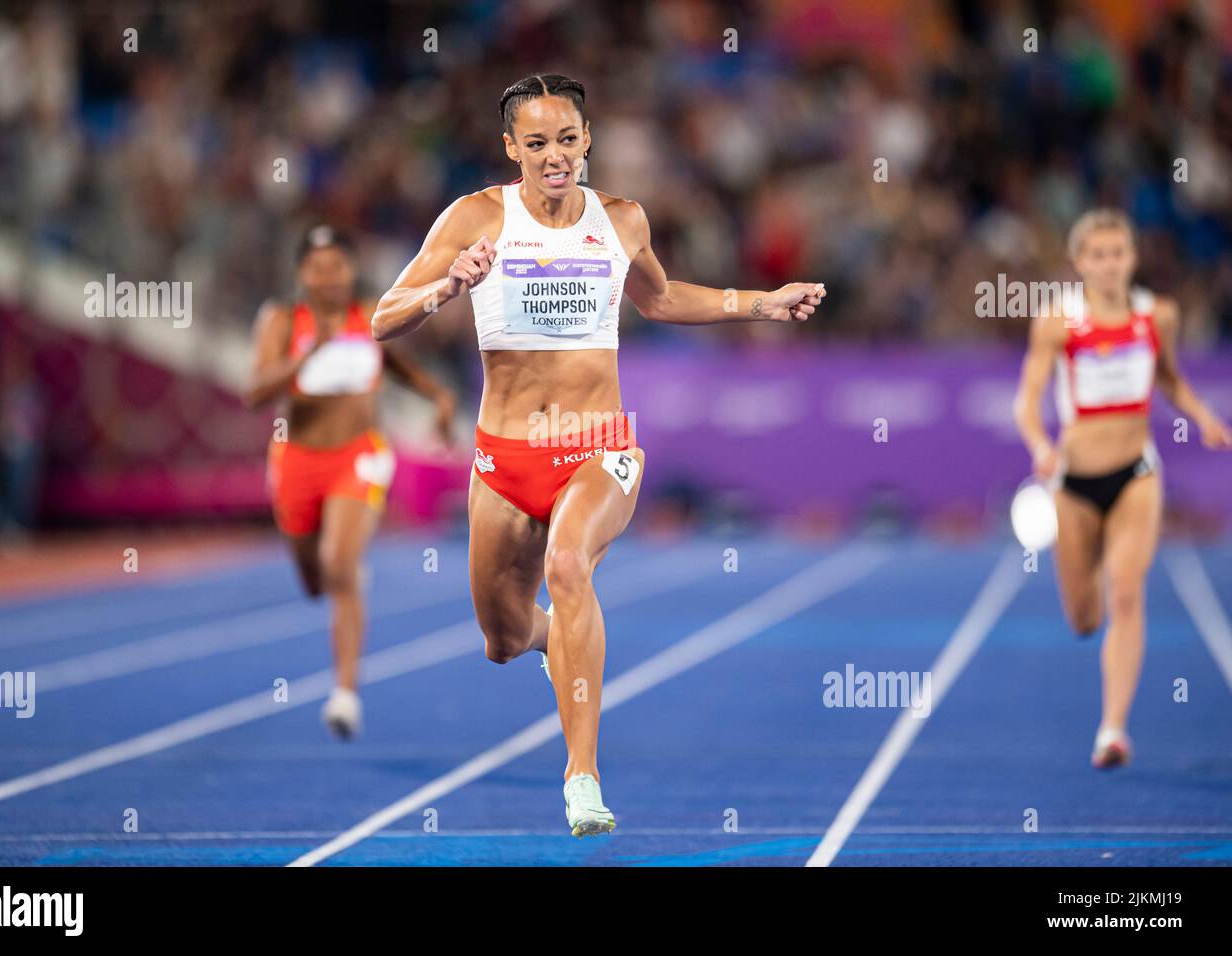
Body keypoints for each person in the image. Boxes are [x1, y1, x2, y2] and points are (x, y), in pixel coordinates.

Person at [371, 74, 826, 834]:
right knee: (502, 636)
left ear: (589, 141)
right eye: (539, 143)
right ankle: (555, 641)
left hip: (598, 445)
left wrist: (760, 301)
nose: (557, 157)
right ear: (510, 147)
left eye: (570, 140)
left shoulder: (623, 221)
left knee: (568, 566)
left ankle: (581, 776)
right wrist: (447, 286)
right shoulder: (475, 217)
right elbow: (383, 319)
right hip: (505, 456)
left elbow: (659, 298)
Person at [1013, 208, 1232, 768]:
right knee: (1084, 617)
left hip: (1138, 472)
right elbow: (1027, 400)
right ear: (1080, 262)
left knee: (1128, 591)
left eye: (1120, 253)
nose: (1110, 265)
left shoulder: (1158, 315)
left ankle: (1112, 728)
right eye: (1099, 255)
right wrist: (1040, 444)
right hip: (1075, 481)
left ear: (1133, 258)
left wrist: (1202, 416)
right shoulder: (1058, 322)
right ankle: (1094, 588)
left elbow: (1170, 379)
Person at [246, 225, 458, 739]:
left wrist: (439, 396)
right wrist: (307, 354)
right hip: (297, 460)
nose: (329, 277)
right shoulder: (282, 319)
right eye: (317, 268)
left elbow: (397, 365)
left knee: (340, 565)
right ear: (301, 273)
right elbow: (256, 392)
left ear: (352, 269)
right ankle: (337, 573)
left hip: (359, 455)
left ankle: (344, 693)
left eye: (338, 266)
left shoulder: (370, 314)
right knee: (314, 579)